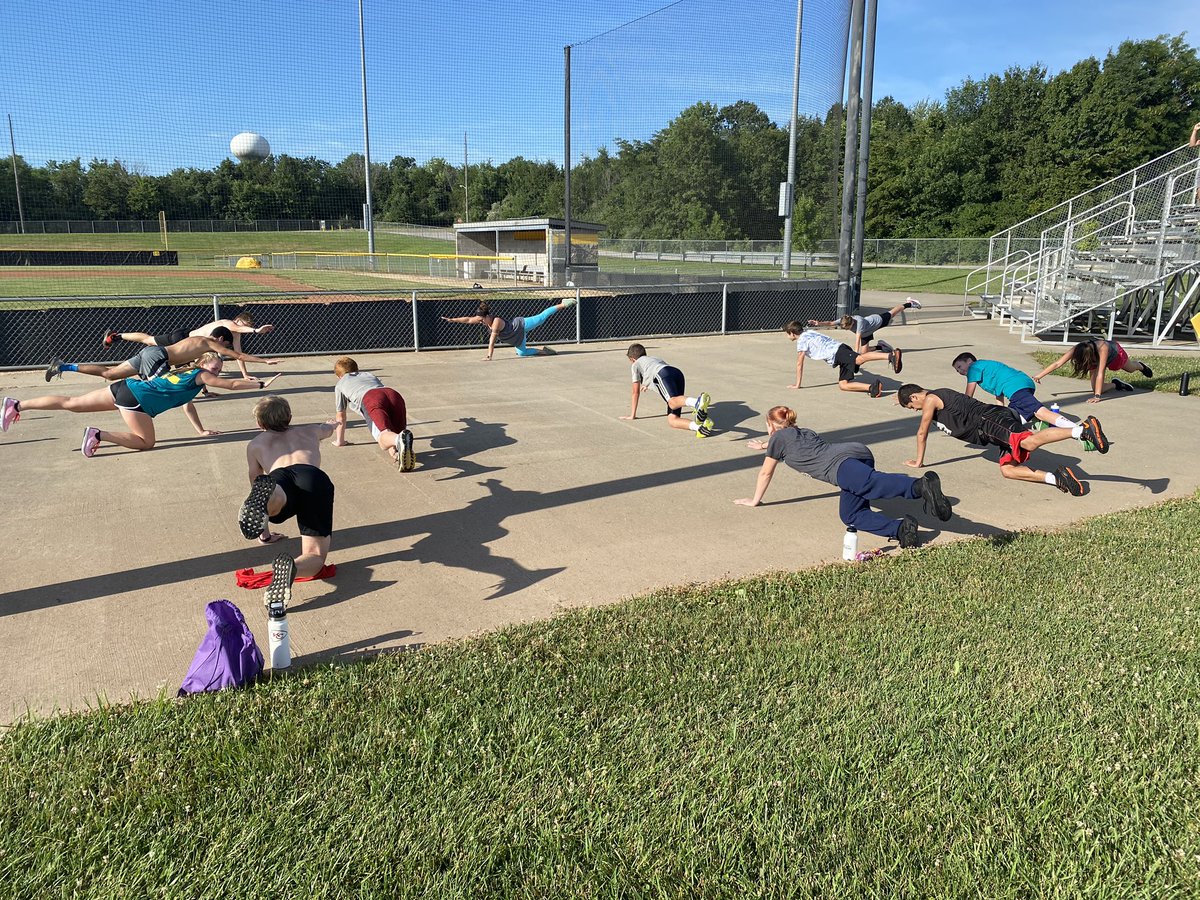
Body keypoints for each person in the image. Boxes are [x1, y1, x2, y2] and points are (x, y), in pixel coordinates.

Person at [733, 405, 952, 549]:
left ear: (770, 425)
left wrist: (754, 500)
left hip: (841, 467)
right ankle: (902, 530)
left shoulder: (778, 439)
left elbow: (766, 472)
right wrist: (763, 445)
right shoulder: (803, 432)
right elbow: (789, 446)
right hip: (855, 453)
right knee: (851, 515)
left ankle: (919, 487)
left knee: (872, 484)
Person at [1, 353, 279, 456]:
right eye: (214, 366)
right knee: (147, 443)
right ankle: (98, 434)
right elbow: (230, 385)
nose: (217, 372)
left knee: (71, 403)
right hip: (136, 400)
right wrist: (260, 385)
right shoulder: (200, 376)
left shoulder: (185, 373)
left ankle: (18, 405)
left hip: (128, 387)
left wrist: (200, 430)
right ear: (203, 365)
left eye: (219, 368)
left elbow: (187, 405)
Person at [896, 383, 1110, 496]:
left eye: (912, 407)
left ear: (915, 397)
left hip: (990, 420)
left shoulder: (932, 398)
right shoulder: (933, 399)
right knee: (1008, 469)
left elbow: (922, 432)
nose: (915, 410)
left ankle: (1082, 430)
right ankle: (1058, 479)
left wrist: (918, 461)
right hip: (991, 430)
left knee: (1027, 442)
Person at [239, 396, 337, 609]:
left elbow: (254, 481)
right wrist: (332, 424)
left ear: (259, 424)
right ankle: (292, 567)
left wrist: (264, 534)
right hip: (313, 478)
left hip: (279, 477)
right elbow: (326, 429)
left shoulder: (256, 444)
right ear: (290, 417)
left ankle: (273, 496)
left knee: (274, 495)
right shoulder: (310, 431)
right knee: (315, 556)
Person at [46, 328, 282, 384]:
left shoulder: (199, 342)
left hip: (152, 354)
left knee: (110, 374)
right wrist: (265, 361)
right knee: (160, 386)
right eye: (224, 345)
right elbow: (237, 355)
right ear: (220, 340)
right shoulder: (209, 342)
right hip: (158, 357)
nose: (223, 350)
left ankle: (63, 366)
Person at [103, 311, 276, 379]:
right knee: (148, 340)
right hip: (181, 338)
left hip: (188, 344)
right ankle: (116, 336)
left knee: (184, 365)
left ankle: (126, 370)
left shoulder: (234, 334)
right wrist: (256, 331)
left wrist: (245, 375)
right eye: (241, 325)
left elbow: (238, 355)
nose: (239, 328)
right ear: (238, 321)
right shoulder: (228, 323)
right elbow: (237, 342)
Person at [330, 356, 415, 471]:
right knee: (393, 433)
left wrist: (340, 441)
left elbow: (341, 416)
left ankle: (397, 440)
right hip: (393, 394)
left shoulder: (340, 384)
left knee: (382, 440)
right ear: (357, 370)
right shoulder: (368, 375)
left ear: (339, 376)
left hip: (371, 398)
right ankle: (398, 449)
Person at [951, 352, 1077, 429]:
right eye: (957, 371)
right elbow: (998, 396)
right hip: (1023, 382)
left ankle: (1077, 429)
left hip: (1015, 387)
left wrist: (960, 415)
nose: (960, 371)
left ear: (969, 361)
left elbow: (968, 396)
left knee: (1039, 411)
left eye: (960, 367)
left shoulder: (974, 368)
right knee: (1011, 418)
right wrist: (998, 413)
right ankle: (1038, 421)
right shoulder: (985, 367)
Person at [783, 322, 902, 397]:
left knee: (860, 359)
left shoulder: (802, 341)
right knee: (843, 384)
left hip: (838, 353)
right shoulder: (809, 332)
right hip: (840, 350)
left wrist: (797, 384)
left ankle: (890, 356)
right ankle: (873, 388)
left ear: (792, 333)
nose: (787, 336)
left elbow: (799, 363)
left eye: (787, 334)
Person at [621, 343, 714, 437]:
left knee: (672, 402)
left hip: (662, 374)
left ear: (632, 359)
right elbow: (657, 371)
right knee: (672, 420)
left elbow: (635, 392)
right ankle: (700, 427)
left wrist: (632, 415)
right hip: (677, 373)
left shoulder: (635, 365)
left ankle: (697, 402)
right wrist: (647, 383)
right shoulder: (654, 358)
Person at [440, 297, 576, 359]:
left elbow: (492, 340)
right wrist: (452, 319)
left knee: (541, 318)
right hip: (517, 338)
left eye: (482, 319)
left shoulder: (496, 321)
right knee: (522, 353)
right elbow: (468, 319)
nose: (480, 322)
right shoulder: (483, 319)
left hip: (521, 325)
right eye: (480, 319)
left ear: (488, 316)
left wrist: (489, 356)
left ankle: (563, 304)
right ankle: (545, 351)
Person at [1031, 338, 1153, 403]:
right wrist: (1039, 376)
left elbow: (1101, 372)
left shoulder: (1103, 347)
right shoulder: (1078, 349)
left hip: (1115, 355)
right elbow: (1058, 363)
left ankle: (1141, 366)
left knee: (1130, 368)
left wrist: (1097, 397)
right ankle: (1116, 384)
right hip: (1094, 359)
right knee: (1096, 388)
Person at [807, 297, 922, 353]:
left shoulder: (859, 323)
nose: (846, 329)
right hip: (867, 333)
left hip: (878, 321)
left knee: (893, 312)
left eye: (847, 328)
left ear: (851, 323)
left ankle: (909, 303)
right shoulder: (843, 320)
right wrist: (818, 323)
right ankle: (881, 346)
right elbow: (831, 323)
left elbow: (857, 340)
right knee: (865, 352)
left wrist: (855, 355)